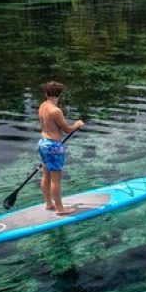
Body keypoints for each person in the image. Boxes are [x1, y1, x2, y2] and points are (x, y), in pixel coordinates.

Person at [38, 81, 84, 214]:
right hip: (53, 146)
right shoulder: (55, 110)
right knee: (56, 179)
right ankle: (60, 208)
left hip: (43, 143)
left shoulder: (43, 106)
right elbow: (67, 130)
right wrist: (77, 124)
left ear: (47, 93)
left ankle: (49, 204)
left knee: (46, 175)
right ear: (59, 94)